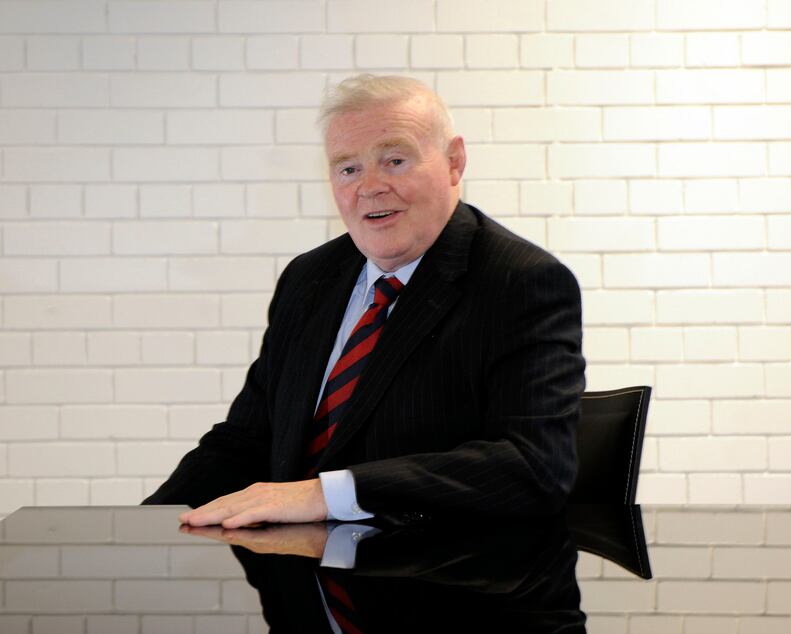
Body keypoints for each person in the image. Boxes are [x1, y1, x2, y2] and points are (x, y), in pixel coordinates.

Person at [143, 74, 585, 527]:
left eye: (394, 160)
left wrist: (327, 495)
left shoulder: (522, 283)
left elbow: (534, 468)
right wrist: (147, 530)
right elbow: (245, 441)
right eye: (348, 168)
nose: (369, 186)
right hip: (299, 576)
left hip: (442, 577)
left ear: (454, 161)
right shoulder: (308, 278)